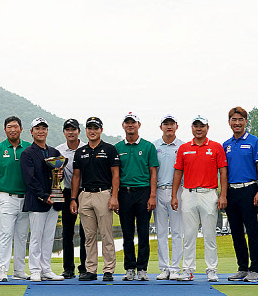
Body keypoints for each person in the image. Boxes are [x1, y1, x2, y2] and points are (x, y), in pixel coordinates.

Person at [171, 115, 227, 282]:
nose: (199, 129)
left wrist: (223, 194)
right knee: (189, 234)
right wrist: (174, 195)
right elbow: (178, 172)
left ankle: (211, 269)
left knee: (209, 234)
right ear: (192, 128)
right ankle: (187, 269)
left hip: (209, 194)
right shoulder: (184, 148)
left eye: (202, 126)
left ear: (207, 128)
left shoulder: (216, 147)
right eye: (196, 126)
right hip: (188, 194)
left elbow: (223, 172)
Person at [70, 117, 120, 282]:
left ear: (101, 130)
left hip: (104, 194)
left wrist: (114, 196)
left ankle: (108, 270)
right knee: (89, 236)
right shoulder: (81, 152)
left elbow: (115, 174)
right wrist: (73, 199)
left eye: (96, 128)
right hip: (85, 195)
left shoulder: (110, 149)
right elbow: (76, 177)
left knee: (106, 235)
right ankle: (91, 269)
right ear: (86, 130)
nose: (93, 131)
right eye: (90, 128)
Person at [223, 107, 258, 282]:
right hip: (232, 192)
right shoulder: (226, 145)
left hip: (250, 190)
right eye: (234, 119)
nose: (237, 123)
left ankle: (254, 269)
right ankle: (242, 268)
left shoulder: (255, 142)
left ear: (246, 121)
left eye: (240, 119)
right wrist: (223, 194)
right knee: (236, 232)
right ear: (229, 122)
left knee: (252, 230)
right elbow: (223, 173)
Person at [0, 116, 32, 282]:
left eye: (15, 126)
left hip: (25, 198)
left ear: (21, 129)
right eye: (9, 127)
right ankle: (2, 270)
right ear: (5, 130)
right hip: (6, 197)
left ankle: (19, 270)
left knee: (21, 236)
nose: (12, 129)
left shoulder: (28, 147)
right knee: (5, 234)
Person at [115, 112, 159, 281]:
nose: (130, 125)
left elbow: (153, 172)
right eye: (127, 123)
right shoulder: (118, 148)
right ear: (123, 126)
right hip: (124, 193)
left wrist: (152, 195)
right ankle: (129, 268)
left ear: (139, 125)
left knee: (143, 232)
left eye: (133, 123)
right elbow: (116, 175)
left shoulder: (148, 147)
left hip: (143, 192)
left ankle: (142, 269)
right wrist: (115, 197)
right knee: (127, 233)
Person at [21, 117, 64, 282]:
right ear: (31, 132)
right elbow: (29, 179)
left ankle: (46, 269)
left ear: (47, 131)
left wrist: (58, 176)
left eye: (43, 128)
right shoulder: (28, 153)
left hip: (54, 200)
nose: (41, 131)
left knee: (49, 237)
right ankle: (35, 270)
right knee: (36, 237)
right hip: (38, 200)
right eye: (37, 128)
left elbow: (56, 175)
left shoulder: (54, 152)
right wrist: (45, 196)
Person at [152, 115, 184, 281]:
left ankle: (175, 268)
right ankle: (164, 267)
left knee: (178, 231)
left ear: (176, 127)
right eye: (166, 124)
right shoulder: (154, 146)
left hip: (177, 191)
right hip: (158, 191)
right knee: (161, 231)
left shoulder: (183, 146)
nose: (169, 127)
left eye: (172, 124)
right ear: (161, 127)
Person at [55, 118, 87, 279]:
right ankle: (68, 268)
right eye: (67, 129)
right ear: (64, 132)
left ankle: (84, 267)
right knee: (67, 231)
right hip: (67, 192)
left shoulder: (86, 148)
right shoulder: (58, 151)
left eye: (73, 129)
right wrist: (57, 177)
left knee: (85, 232)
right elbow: (55, 176)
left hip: (86, 192)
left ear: (78, 131)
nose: (70, 132)